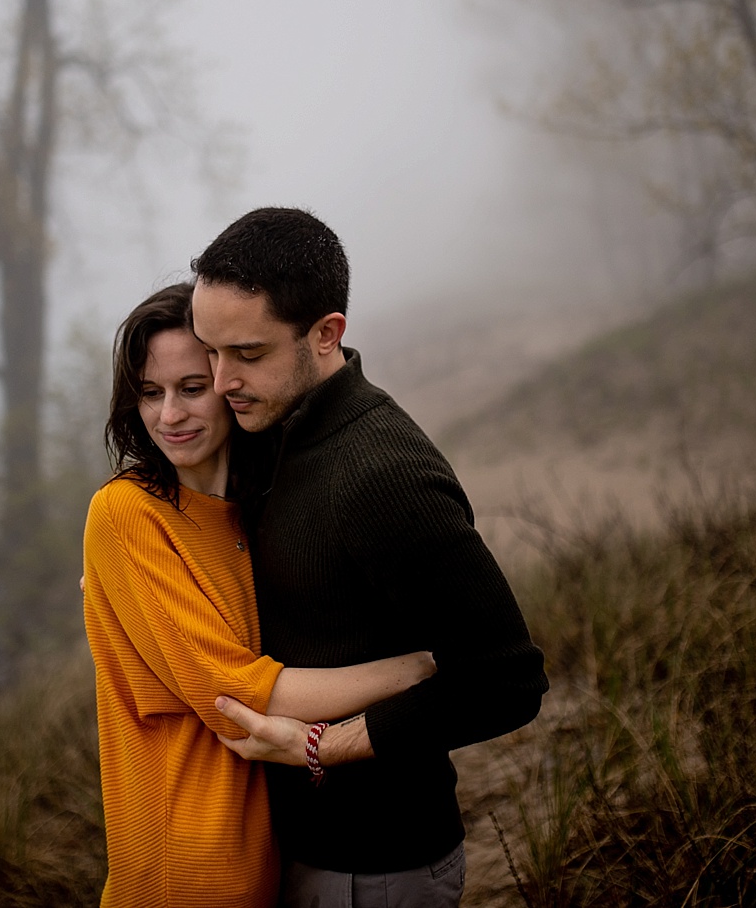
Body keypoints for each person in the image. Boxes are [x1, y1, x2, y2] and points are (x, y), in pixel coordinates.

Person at [191, 207, 548, 908]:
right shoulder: (270, 431)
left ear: (326, 334)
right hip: (290, 850)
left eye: (248, 354)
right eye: (211, 350)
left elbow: (506, 679)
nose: (221, 379)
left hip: (375, 870)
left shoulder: (383, 476)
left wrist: (324, 747)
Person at [83, 282, 438, 908]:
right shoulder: (126, 512)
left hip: (272, 856)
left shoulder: (254, 510)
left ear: (228, 383)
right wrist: (419, 669)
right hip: (184, 864)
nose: (169, 415)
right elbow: (234, 694)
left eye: (191, 388)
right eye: (150, 392)